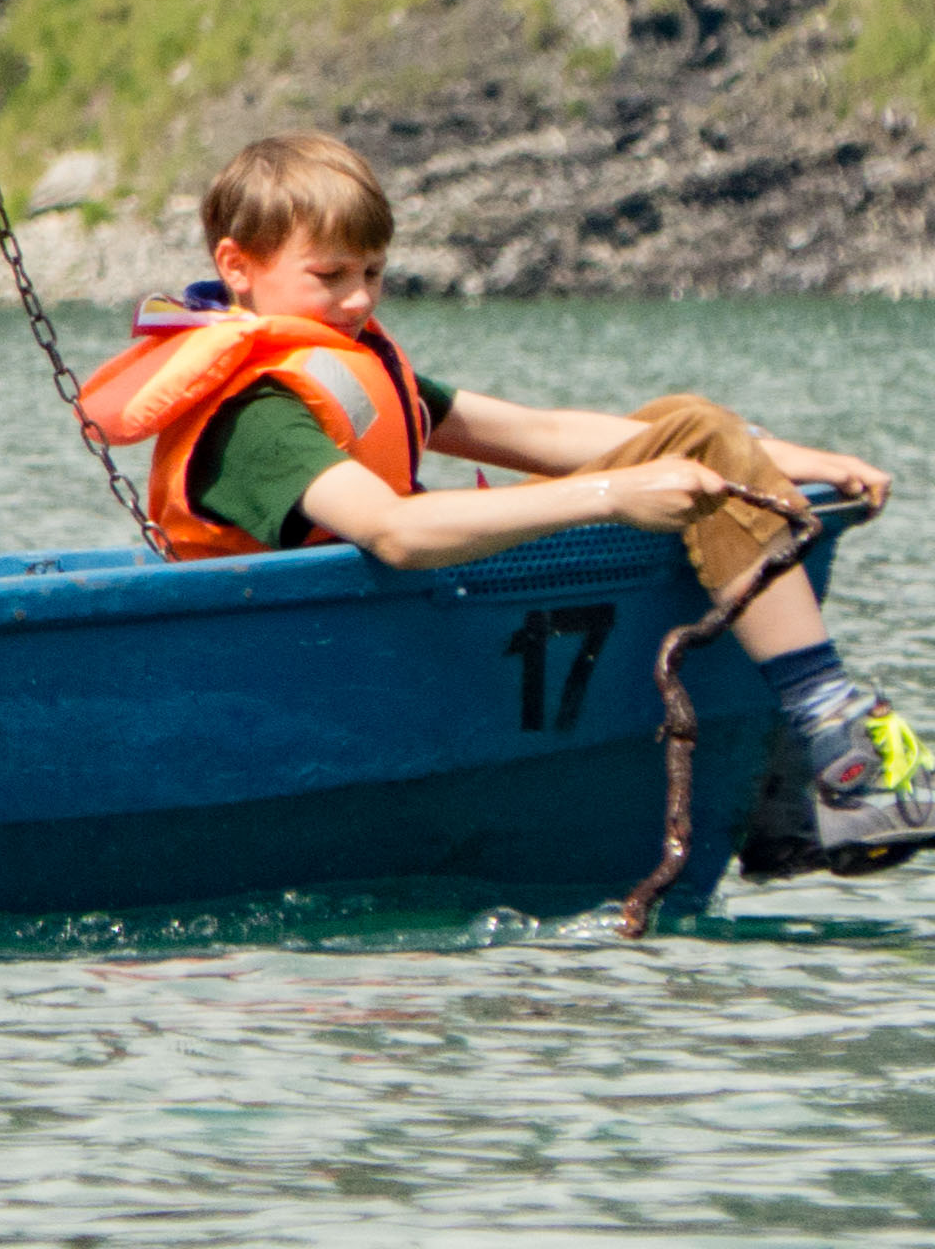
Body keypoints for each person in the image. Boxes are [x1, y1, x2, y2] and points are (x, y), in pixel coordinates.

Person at [82, 133, 919, 864]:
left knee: (692, 424)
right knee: (666, 458)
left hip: (403, 624)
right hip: (309, 649)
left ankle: (801, 746)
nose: (361, 299)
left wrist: (784, 462)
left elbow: (544, 435)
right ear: (238, 267)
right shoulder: (259, 413)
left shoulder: (356, 357)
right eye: (329, 275)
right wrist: (612, 497)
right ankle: (820, 748)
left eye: (373, 272)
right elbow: (396, 532)